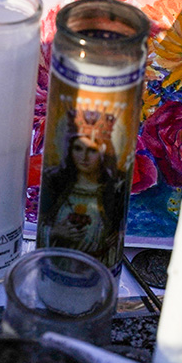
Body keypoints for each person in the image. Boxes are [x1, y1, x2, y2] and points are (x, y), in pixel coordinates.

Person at [37, 108, 127, 268]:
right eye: (78, 148)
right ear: (70, 150)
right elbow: (43, 223)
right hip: (58, 267)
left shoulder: (113, 188)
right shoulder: (56, 183)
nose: (83, 157)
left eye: (92, 150)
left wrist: (114, 238)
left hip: (95, 270)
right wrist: (55, 232)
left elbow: (117, 229)